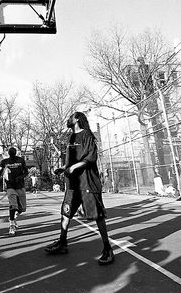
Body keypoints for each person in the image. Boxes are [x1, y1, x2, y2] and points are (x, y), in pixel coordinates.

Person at [45, 112, 114, 266]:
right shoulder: (70, 138)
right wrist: (63, 168)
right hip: (72, 185)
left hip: (87, 183)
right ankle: (62, 242)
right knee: (66, 213)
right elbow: (70, 161)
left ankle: (108, 248)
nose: (68, 120)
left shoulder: (87, 135)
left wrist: (75, 167)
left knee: (97, 215)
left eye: (71, 117)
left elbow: (91, 157)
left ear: (77, 119)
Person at [0, 147, 28, 236]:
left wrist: (20, 177)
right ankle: (12, 225)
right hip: (10, 187)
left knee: (22, 208)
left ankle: (12, 218)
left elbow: (26, 172)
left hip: (20, 186)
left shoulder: (21, 160)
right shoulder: (4, 162)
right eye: (10, 151)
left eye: (13, 151)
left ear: (15, 152)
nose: (12, 152)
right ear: (9, 153)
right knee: (13, 206)